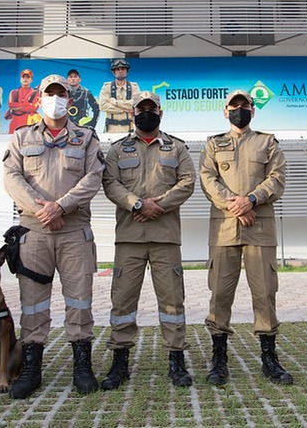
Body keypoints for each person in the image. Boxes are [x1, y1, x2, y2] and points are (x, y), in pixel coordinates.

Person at [3, 74, 105, 398]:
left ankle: (82, 367)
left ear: (70, 101)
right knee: (32, 303)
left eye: (61, 94)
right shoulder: (21, 137)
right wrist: (41, 209)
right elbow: (11, 178)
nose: (56, 99)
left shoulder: (87, 137)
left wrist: (61, 206)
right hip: (34, 231)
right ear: (39, 99)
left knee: (79, 300)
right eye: (50, 94)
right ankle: (31, 368)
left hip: (74, 231)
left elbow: (93, 178)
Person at [100, 91, 196, 390]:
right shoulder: (117, 150)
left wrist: (159, 205)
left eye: (151, 108)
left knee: (172, 301)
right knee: (123, 301)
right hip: (129, 237)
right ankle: (119, 362)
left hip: (166, 238)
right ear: (133, 114)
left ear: (160, 112)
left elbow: (188, 182)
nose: (146, 113)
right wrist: (138, 204)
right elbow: (110, 183)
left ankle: (176, 359)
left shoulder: (177, 148)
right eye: (140, 109)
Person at [198, 89, 293, 387]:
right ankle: (219, 360)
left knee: (265, 293)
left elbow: (277, 178)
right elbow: (207, 179)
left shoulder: (267, 142)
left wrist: (251, 199)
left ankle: (269, 360)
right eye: (234, 106)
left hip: (259, 228)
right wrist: (235, 205)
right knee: (220, 295)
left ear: (253, 110)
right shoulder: (214, 144)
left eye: (245, 105)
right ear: (225, 111)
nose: (240, 109)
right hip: (225, 229)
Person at [99, 58, 140, 133]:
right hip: (111, 129)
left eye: (123, 69)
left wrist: (117, 103)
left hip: (128, 128)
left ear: (127, 71)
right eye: (117, 69)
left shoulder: (134, 87)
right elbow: (103, 106)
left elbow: (136, 104)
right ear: (113, 72)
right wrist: (124, 109)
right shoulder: (106, 87)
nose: (120, 71)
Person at [6, 69, 41, 133]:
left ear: (31, 80)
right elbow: (11, 105)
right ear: (20, 79)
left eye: (28, 77)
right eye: (23, 77)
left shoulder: (35, 93)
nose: (25, 79)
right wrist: (27, 105)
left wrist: (17, 106)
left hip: (28, 125)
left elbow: (33, 108)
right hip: (14, 124)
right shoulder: (13, 92)